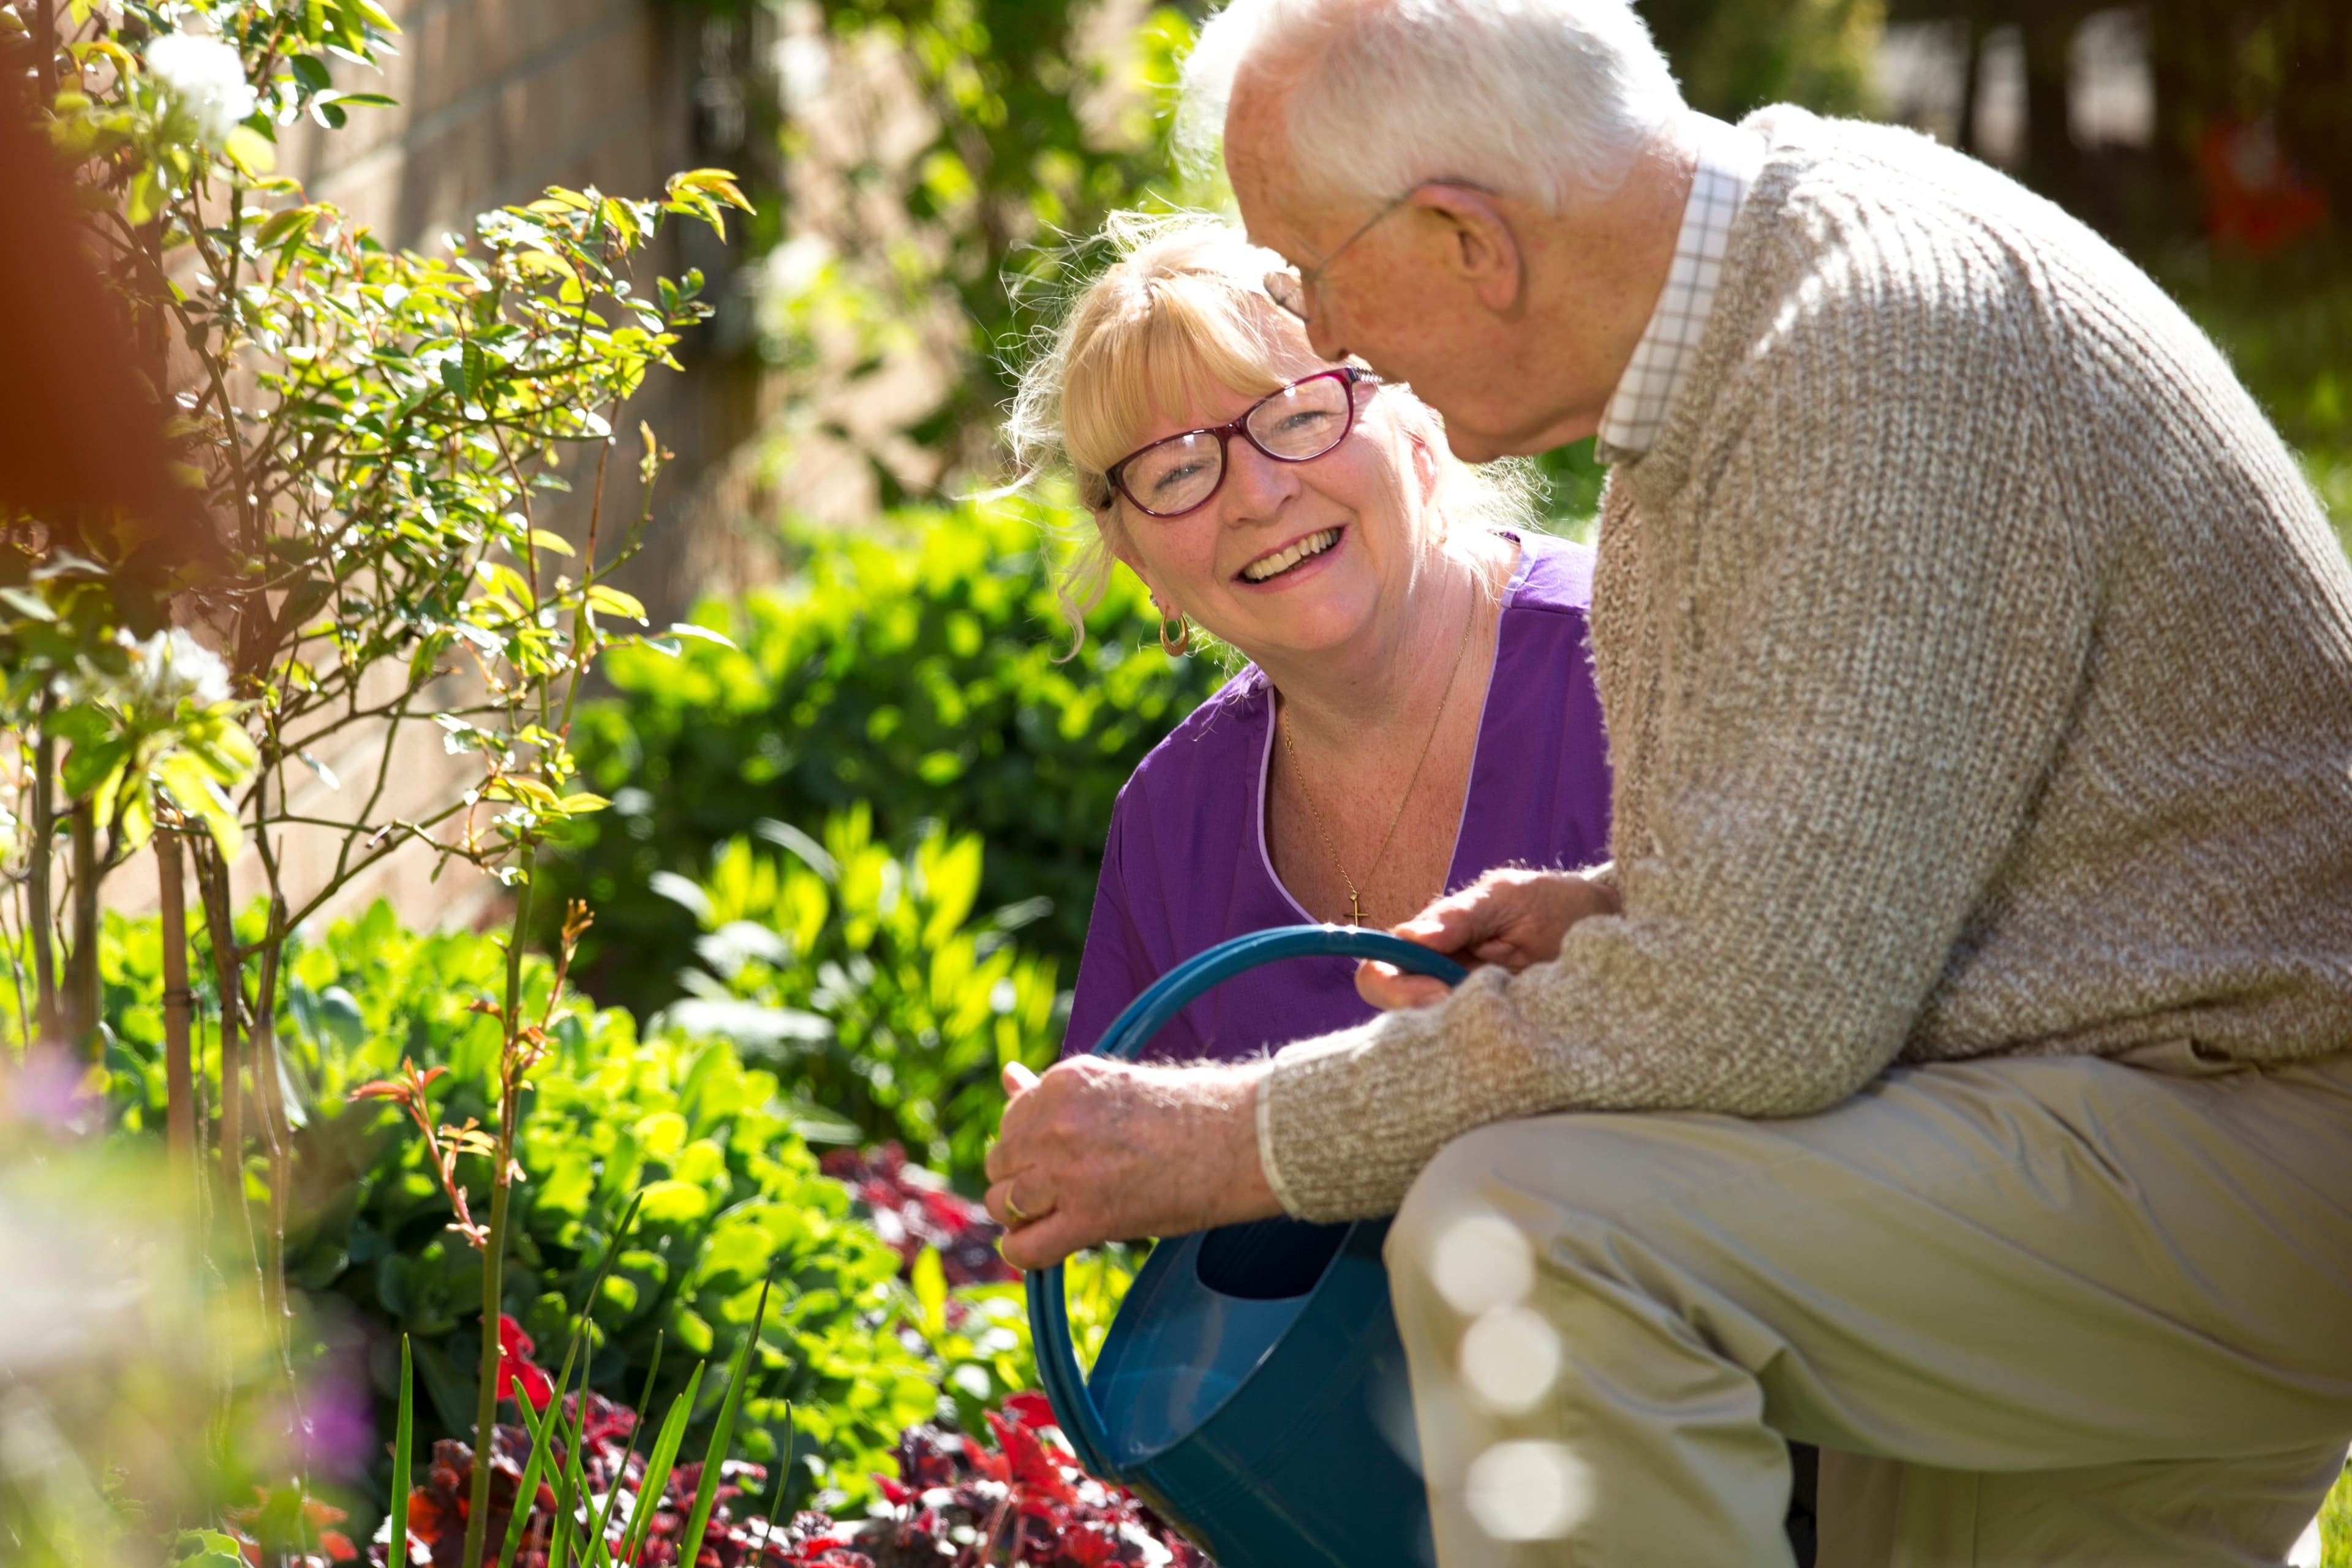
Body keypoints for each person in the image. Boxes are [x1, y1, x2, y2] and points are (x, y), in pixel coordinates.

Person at [982, 1, 2352, 1564]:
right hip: (2104, 1112)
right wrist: (1617, 905)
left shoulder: (1868, 347)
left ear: (1464, 238)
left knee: (1534, 1231)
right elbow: (1936, 813)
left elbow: (1755, 1013)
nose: (1333, 346)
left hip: (2242, 1120)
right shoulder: (1744, 358)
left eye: (1311, 278)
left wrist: (1233, 1141)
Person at [1008, 216, 1610, 1065]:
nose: (1255, 496)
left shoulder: (1623, 663)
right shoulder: (1172, 821)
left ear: (1412, 422)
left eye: (1296, 416)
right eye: (1177, 471)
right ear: (1135, 556)